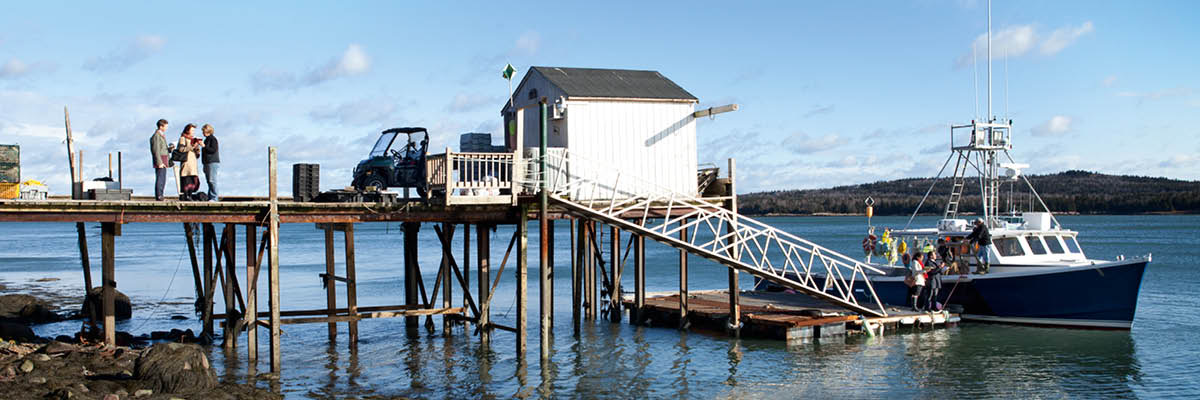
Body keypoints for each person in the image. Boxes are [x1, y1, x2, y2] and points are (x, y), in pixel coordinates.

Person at [177, 124, 203, 200]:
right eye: (192, 130)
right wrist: (192, 146)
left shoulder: (193, 139)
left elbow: (197, 154)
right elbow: (181, 149)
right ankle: (186, 196)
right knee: (187, 180)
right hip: (186, 163)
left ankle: (190, 195)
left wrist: (197, 148)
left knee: (193, 180)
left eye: (194, 130)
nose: (193, 132)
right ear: (187, 130)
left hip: (193, 163)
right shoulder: (182, 138)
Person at [149, 119, 170, 201]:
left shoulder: (161, 135)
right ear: (161, 126)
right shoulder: (156, 136)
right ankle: (159, 195)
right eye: (166, 126)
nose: (166, 128)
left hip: (164, 158)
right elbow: (156, 150)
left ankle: (161, 194)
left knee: (163, 178)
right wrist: (159, 162)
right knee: (160, 178)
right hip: (160, 159)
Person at [201, 124, 219, 201]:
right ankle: (210, 196)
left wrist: (204, 146)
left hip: (212, 162)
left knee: (212, 180)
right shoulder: (206, 139)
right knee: (209, 180)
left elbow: (213, 150)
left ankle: (214, 197)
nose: (202, 133)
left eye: (203, 131)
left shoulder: (213, 139)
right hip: (207, 162)